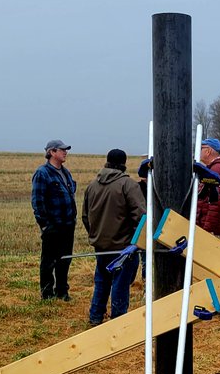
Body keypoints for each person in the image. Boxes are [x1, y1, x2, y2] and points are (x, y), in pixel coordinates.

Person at [82, 148, 146, 324]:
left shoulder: (92, 186)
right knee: (120, 285)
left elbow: (85, 217)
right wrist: (136, 242)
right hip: (124, 248)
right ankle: (118, 323)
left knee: (101, 282)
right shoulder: (128, 185)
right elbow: (141, 217)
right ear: (124, 164)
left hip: (101, 246)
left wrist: (97, 237)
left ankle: (95, 317)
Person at [31, 139, 77, 300]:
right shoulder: (42, 173)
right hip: (53, 226)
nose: (65, 152)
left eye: (66, 150)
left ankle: (62, 292)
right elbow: (37, 201)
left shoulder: (66, 173)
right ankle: (47, 293)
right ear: (52, 152)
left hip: (68, 225)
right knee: (49, 261)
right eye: (62, 150)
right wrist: (45, 225)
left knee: (65, 260)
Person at [196, 137, 220, 236]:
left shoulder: (217, 170)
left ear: (208, 151)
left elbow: (215, 202)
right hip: (208, 227)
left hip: (211, 230)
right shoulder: (213, 169)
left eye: (201, 148)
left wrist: (207, 229)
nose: (199, 152)